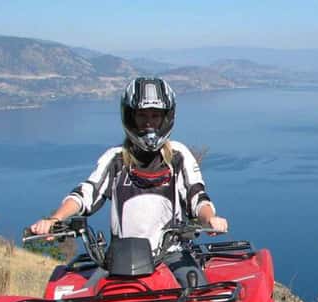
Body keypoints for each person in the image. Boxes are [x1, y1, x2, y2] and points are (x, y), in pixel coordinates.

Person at [30, 77, 228, 287]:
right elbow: (86, 193)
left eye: (155, 115)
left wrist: (210, 218)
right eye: (142, 115)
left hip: (172, 254)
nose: (149, 122)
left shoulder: (178, 156)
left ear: (166, 118)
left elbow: (197, 196)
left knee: (198, 298)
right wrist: (54, 219)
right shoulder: (115, 158)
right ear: (130, 117)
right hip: (121, 259)